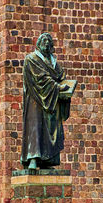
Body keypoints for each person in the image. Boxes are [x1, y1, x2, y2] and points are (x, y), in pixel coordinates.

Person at [21, 33, 71, 170]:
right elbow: (41, 79)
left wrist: (67, 90)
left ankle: (48, 160)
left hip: (52, 102)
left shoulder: (54, 62)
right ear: (38, 43)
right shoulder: (31, 59)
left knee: (51, 129)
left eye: (49, 41)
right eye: (44, 40)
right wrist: (58, 87)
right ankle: (33, 159)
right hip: (35, 101)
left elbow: (61, 77)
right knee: (35, 128)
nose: (47, 43)